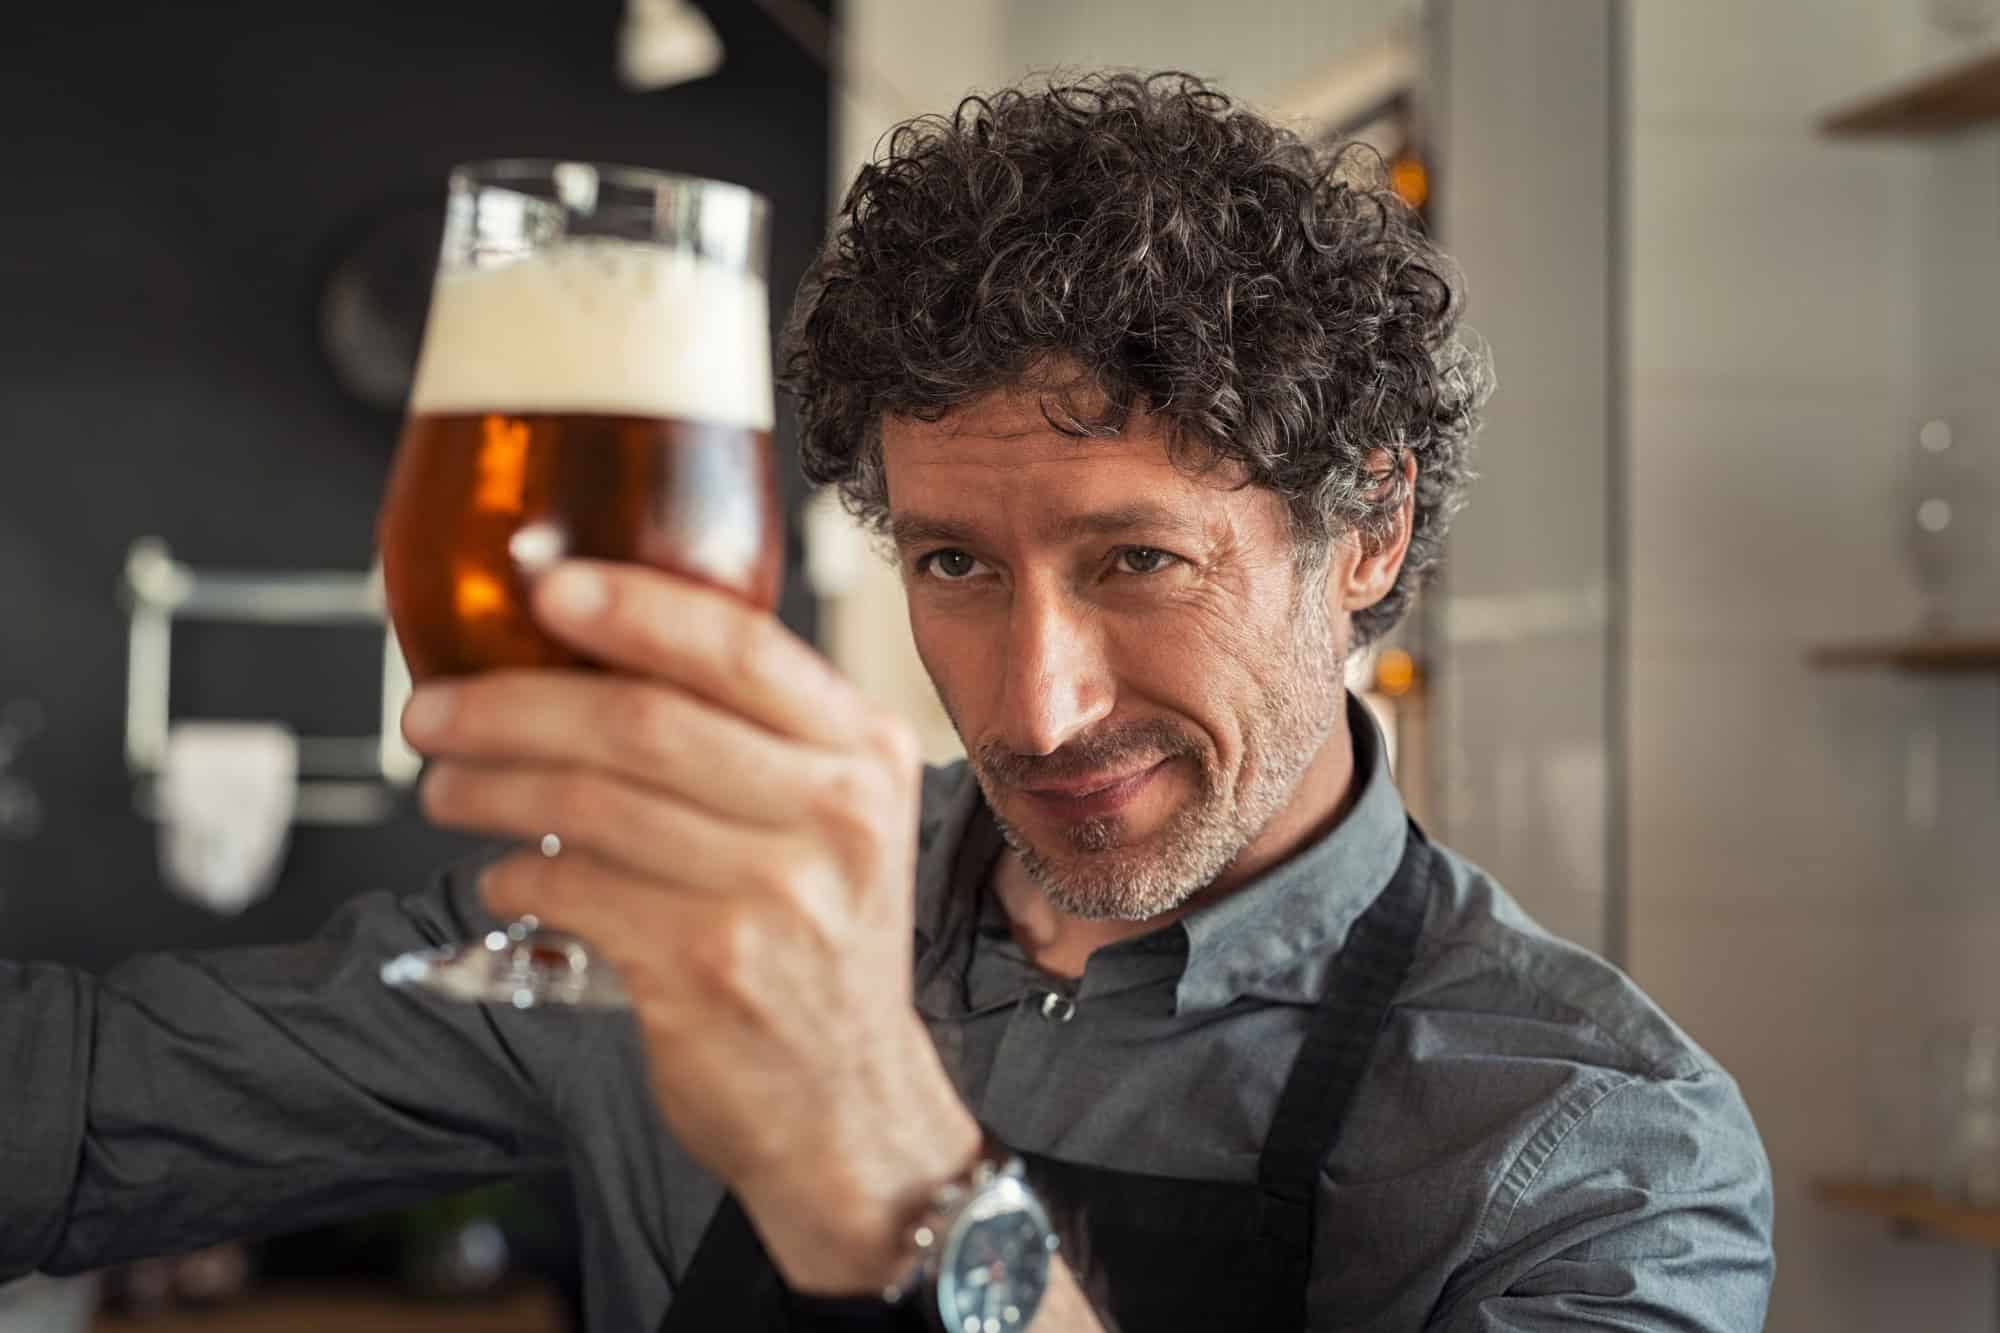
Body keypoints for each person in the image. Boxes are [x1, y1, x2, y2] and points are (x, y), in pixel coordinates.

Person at [0, 72, 1773, 1331]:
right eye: (954, 566)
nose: (1038, 704)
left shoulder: (1595, 1145)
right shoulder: (721, 908)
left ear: (1368, 529)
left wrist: (892, 1167)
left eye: (1139, 562)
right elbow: (80, 1112)